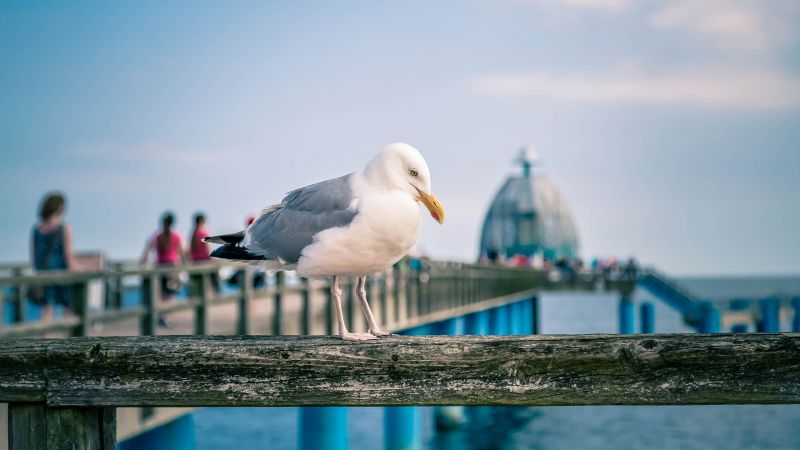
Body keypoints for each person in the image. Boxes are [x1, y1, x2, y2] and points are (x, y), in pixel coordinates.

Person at [30, 192, 79, 320]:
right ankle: (70, 340)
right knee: (68, 308)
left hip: (43, 274)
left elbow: (34, 256)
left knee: (46, 309)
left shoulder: (37, 229)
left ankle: (45, 339)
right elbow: (69, 255)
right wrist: (78, 271)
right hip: (61, 274)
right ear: (60, 209)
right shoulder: (64, 229)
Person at [139, 212, 186, 325]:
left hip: (159, 267)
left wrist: (142, 264)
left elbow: (145, 254)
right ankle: (169, 317)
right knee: (170, 294)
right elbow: (183, 252)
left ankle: (163, 315)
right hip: (173, 268)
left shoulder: (155, 236)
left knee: (161, 294)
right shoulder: (177, 235)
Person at [188, 212, 219, 292]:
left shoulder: (193, 233)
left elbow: (190, 250)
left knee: (197, 286)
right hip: (204, 261)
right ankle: (217, 293)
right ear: (203, 221)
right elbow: (208, 250)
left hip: (195, 262)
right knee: (214, 276)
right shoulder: (203, 232)